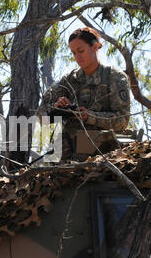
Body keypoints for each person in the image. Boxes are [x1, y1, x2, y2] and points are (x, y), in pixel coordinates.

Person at [39, 27, 131, 162]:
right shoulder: (69, 79)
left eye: (81, 51)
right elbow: (40, 115)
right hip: (66, 153)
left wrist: (89, 116)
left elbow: (122, 121)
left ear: (95, 47)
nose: (77, 57)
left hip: (102, 154)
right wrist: (57, 107)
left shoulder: (115, 77)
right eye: (74, 53)